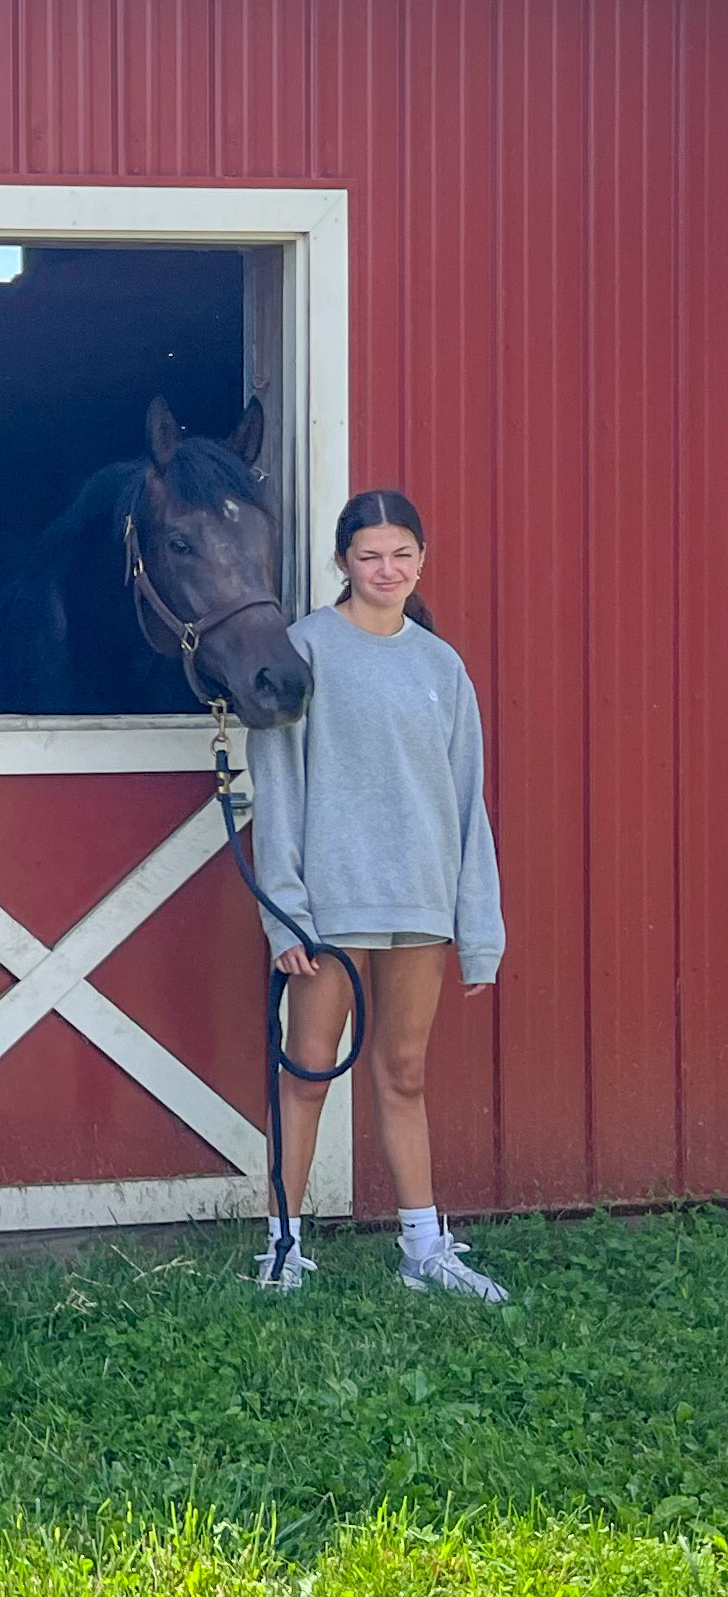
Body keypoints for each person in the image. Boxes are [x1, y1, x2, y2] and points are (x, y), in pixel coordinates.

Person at [245, 489, 506, 1300]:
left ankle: (425, 1249)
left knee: (404, 1073)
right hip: (329, 909)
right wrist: (283, 907)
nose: (385, 570)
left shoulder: (441, 666)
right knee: (308, 1069)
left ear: (421, 560)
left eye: (401, 555)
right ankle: (284, 1247)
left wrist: (479, 925)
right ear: (341, 564)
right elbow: (277, 786)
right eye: (368, 556)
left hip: (419, 905)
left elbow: (467, 800)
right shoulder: (305, 651)